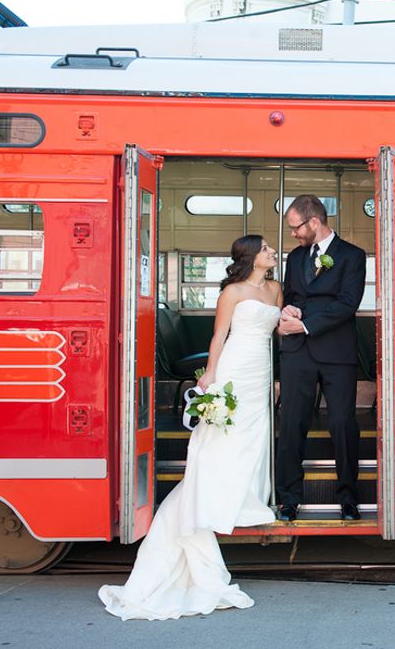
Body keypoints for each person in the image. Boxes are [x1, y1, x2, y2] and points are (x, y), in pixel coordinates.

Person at [99, 235, 281, 621]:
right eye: (265, 248)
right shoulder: (232, 292)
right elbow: (220, 335)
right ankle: (214, 498)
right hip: (235, 367)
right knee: (226, 436)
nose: (271, 252)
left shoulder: (275, 289)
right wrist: (211, 375)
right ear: (252, 257)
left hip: (261, 370)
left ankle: (247, 498)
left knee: (254, 435)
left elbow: (277, 332)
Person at [276, 195, 366, 522]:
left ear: (314, 221)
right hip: (296, 352)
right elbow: (291, 294)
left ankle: (348, 497)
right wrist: (288, 310)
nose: (293, 234)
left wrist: (306, 325)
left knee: (342, 423)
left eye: (296, 227)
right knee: (291, 423)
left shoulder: (353, 256)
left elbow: (348, 303)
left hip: (336, 352)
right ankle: (289, 498)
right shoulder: (295, 257)